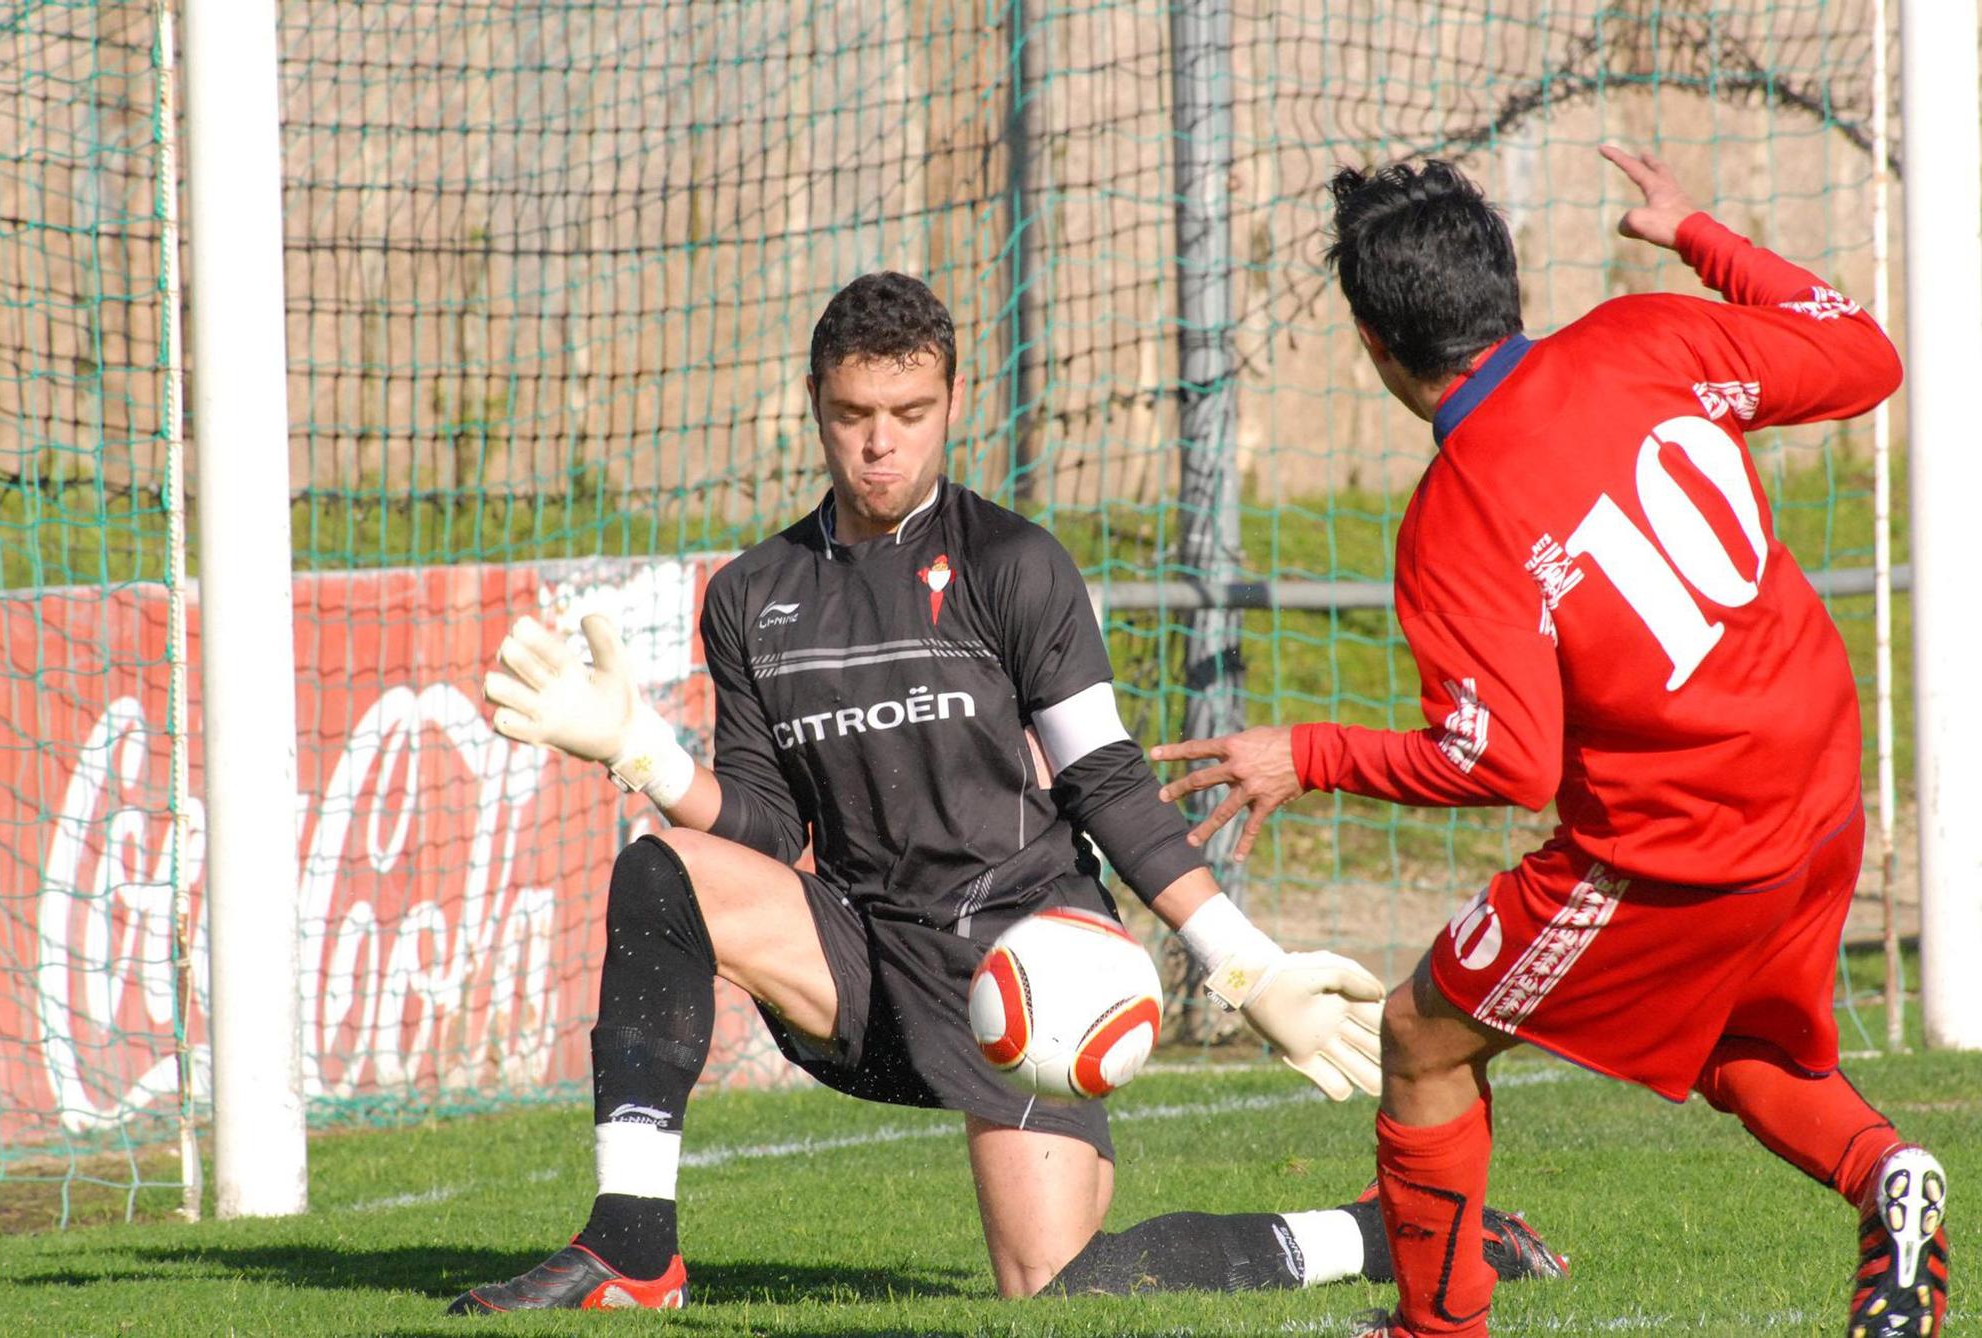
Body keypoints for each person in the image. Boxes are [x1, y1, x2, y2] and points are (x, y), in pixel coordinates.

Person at [446, 272, 1561, 1314]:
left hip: (1024, 959)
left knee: (1056, 1290)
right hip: (863, 956)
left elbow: (1106, 781)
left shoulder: (1014, 563)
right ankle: (629, 1251)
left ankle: (1369, 1235)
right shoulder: (753, 594)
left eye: (909, 412)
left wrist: (1242, 961)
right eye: (852, 415)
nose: (880, 444)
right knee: (662, 872)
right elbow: (763, 825)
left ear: (951, 402)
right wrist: (640, 750)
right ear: (814, 407)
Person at [1153, 148, 1948, 1338]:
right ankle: (1887, 1178)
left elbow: (1502, 763)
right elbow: (1862, 356)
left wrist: (1305, 753)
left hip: (1678, 836)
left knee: (1419, 1037)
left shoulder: (1456, 513)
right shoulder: (1647, 337)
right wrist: (1698, 233)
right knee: (1729, 1042)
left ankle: (1437, 1328)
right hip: (1822, 781)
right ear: (1502, 279)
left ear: (1375, 345)